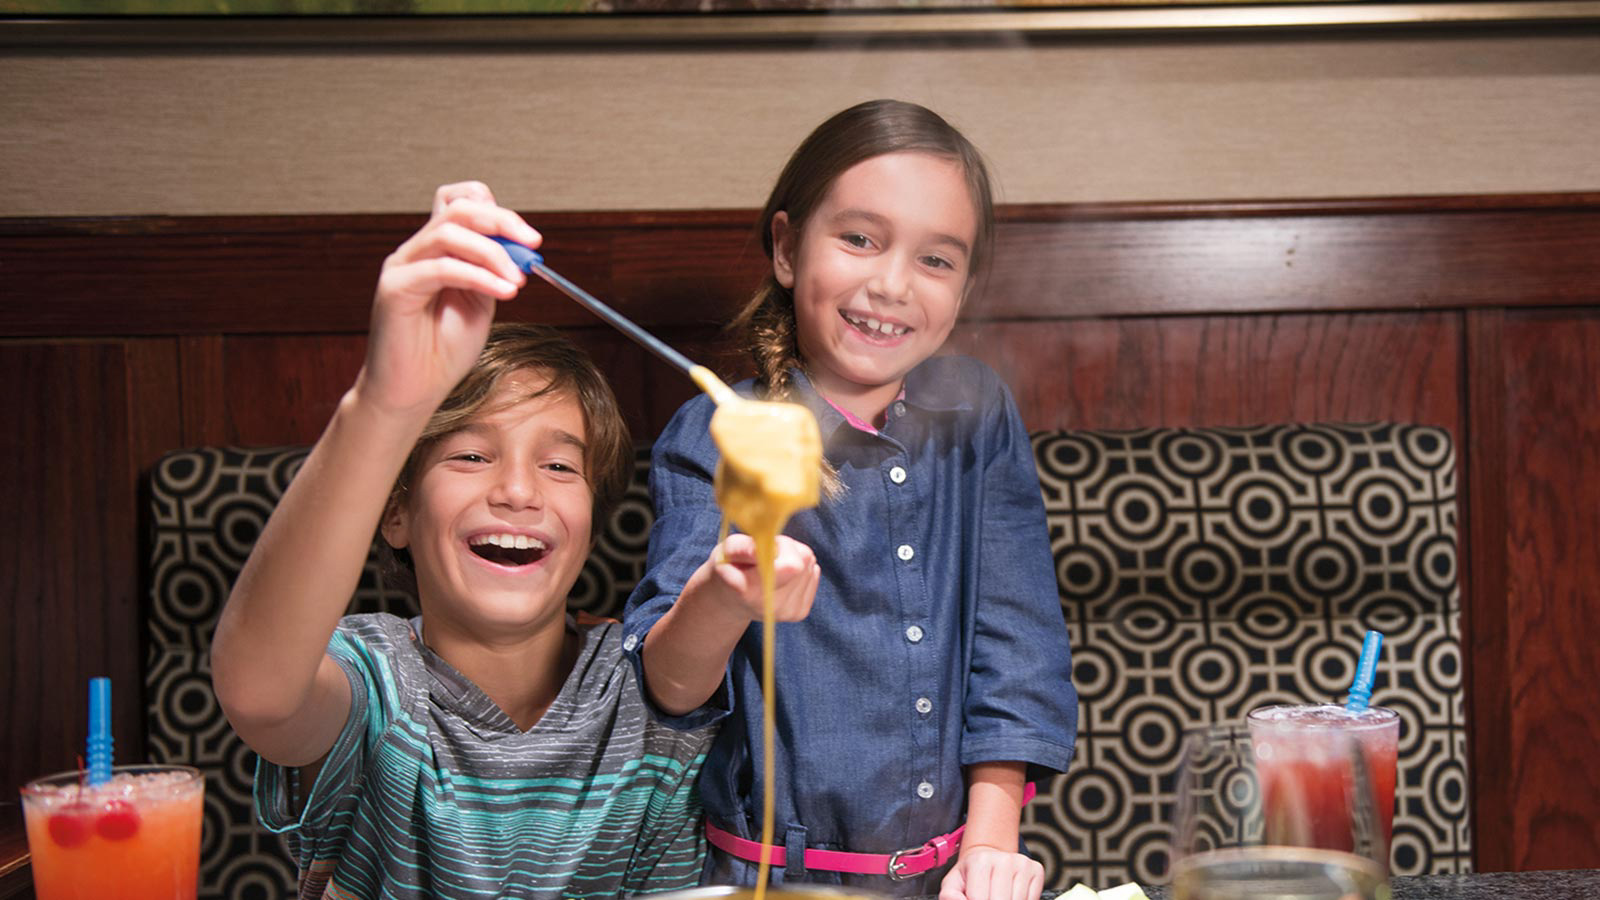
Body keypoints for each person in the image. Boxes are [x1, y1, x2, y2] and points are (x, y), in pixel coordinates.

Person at [211, 182, 721, 900]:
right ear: (395, 515)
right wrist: (386, 402)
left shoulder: (654, 680)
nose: (518, 490)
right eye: (471, 456)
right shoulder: (378, 685)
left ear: (591, 522)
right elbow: (261, 694)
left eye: (559, 465)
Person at [624, 99, 1078, 900]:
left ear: (966, 288)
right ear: (788, 248)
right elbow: (668, 689)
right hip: (763, 881)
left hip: (953, 878)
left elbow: (1016, 642)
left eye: (937, 261)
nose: (892, 283)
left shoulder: (980, 412)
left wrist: (990, 847)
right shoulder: (713, 430)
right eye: (860, 239)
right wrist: (725, 599)